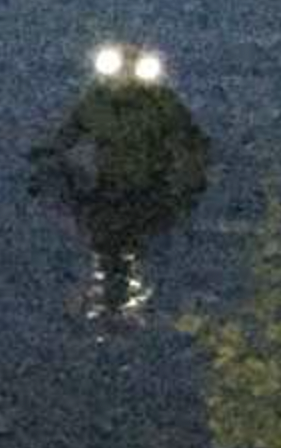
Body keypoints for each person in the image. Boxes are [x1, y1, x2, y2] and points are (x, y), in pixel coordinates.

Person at [28, 45, 210, 324]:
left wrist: (190, 178)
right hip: (112, 191)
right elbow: (67, 136)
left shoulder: (160, 103)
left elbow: (192, 140)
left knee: (118, 226)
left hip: (148, 191)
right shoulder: (97, 102)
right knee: (106, 223)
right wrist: (45, 160)